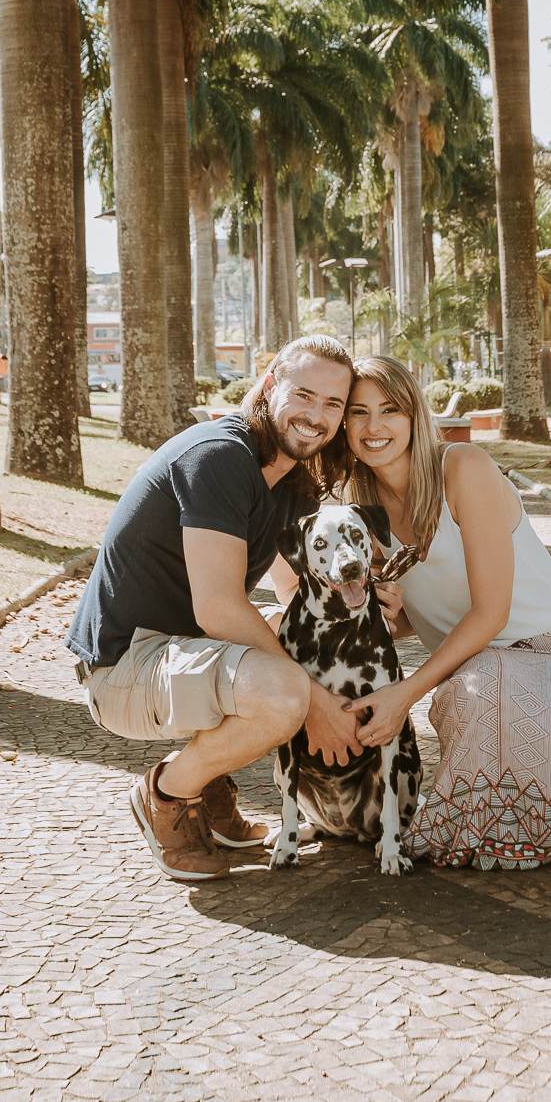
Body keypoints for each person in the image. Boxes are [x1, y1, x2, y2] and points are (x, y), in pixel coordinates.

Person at [341, 356, 551, 869]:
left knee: (477, 691)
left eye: (390, 409)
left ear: (414, 415)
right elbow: (420, 616)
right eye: (358, 412)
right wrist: (394, 615)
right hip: (483, 666)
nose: (374, 427)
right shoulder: (358, 503)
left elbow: (491, 613)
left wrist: (404, 695)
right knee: (478, 685)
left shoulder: (464, 467)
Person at [65, 335, 370, 882]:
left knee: (299, 645)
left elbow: (291, 594)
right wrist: (318, 703)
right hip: (123, 667)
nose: (316, 416)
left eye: (333, 404)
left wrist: (365, 616)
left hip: (180, 658)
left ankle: (210, 788)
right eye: (304, 395)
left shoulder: (292, 482)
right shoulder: (220, 455)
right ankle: (166, 793)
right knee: (285, 690)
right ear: (271, 386)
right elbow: (219, 608)